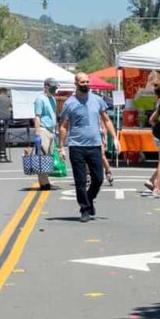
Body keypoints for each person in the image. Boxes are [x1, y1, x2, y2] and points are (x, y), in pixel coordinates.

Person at [58, 72, 119, 222]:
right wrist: (61, 147)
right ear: (76, 83)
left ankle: (89, 198)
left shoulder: (97, 100)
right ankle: (84, 209)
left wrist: (115, 138)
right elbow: (64, 126)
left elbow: (107, 120)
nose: (85, 84)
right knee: (80, 181)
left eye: (87, 82)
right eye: (82, 82)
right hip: (76, 146)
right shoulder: (70, 103)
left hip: (94, 145)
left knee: (98, 178)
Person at [33, 78, 60, 190]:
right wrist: (37, 133)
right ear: (46, 86)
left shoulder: (53, 99)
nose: (54, 89)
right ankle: (44, 183)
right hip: (43, 129)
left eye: (55, 87)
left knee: (48, 157)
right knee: (42, 157)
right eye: (52, 87)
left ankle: (46, 181)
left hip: (51, 130)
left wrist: (55, 131)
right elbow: (37, 117)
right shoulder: (40, 99)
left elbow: (54, 115)